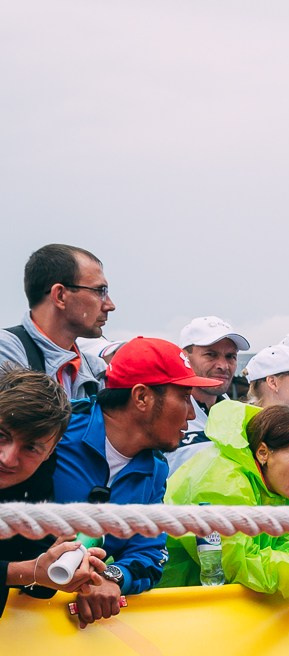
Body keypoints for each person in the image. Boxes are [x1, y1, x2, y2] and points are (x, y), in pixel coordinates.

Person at [52, 338, 219, 614]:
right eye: (184, 397)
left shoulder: (156, 468)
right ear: (141, 397)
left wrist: (111, 577)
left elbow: (149, 554)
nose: (191, 414)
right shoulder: (58, 429)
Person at [160, 403, 289, 604]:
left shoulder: (283, 481)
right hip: (171, 606)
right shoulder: (221, 481)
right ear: (263, 453)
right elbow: (235, 560)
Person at [0, 368, 115, 610]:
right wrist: (28, 570)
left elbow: (34, 581)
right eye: (1, 435)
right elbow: (23, 571)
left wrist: (60, 567)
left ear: (50, 453)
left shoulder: (37, 479)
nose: (8, 459)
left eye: (31, 448)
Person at [1, 244, 113, 400]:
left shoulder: (96, 369)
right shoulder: (6, 349)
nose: (110, 305)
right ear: (60, 296)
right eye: (100, 291)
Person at [170, 317, 247, 464]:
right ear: (184, 357)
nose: (223, 365)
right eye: (211, 354)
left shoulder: (242, 418)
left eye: (230, 356)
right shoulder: (163, 415)